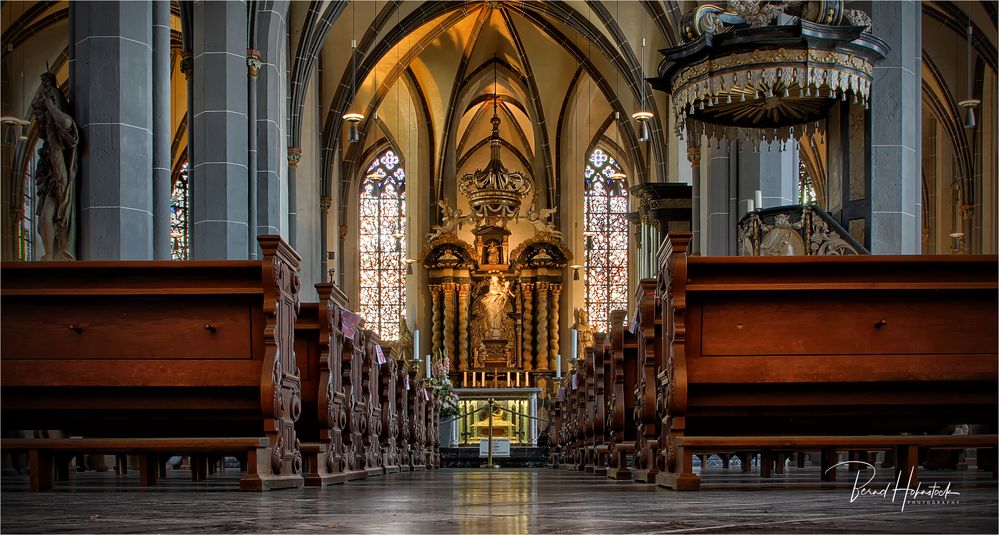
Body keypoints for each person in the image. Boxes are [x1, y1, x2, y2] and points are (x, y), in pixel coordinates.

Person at [32, 71, 78, 260]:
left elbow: (67, 123)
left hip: (59, 172)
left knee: (59, 212)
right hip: (49, 172)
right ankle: (49, 255)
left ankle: (55, 252)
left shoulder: (57, 112)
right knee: (44, 219)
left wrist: (50, 106)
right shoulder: (46, 142)